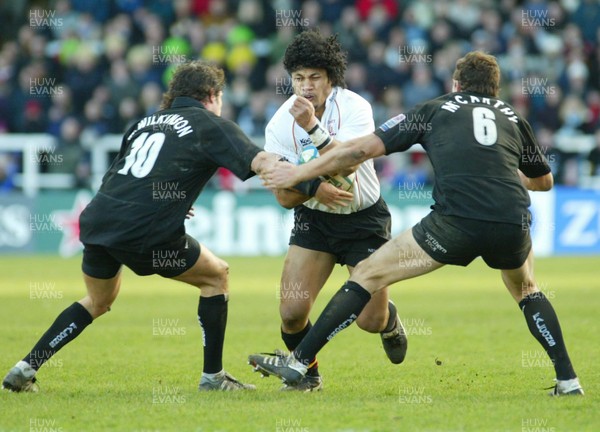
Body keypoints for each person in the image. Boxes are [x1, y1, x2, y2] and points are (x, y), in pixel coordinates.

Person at [250, 51, 584, 396]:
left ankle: (299, 361)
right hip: (511, 220)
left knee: (366, 275)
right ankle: (568, 381)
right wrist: (502, 175)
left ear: (455, 84)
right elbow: (544, 182)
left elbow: (356, 153)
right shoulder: (514, 117)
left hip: (454, 224)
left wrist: (299, 172)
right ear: (495, 90)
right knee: (527, 290)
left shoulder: (433, 110)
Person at [2, 61, 278, 393]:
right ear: (212, 94)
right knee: (217, 277)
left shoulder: (144, 123)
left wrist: (169, 200)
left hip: (99, 220)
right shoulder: (210, 123)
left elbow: (122, 175)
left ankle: (25, 367)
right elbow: (259, 160)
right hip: (145, 231)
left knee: (97, 300)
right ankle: (213, 378)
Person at [261, 29, 407, 391]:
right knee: (292, 313)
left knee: (369, 321)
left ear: (330, 79)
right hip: (315, 220)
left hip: (364, 220)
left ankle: (390, 321)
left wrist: (311, 125)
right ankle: (308, 376)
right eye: (298, 78)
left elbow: (347, 166)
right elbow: (282, 195)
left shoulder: (355, 107)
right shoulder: (278, 124)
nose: (305, 87)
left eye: (314, 78)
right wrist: (314, 189)